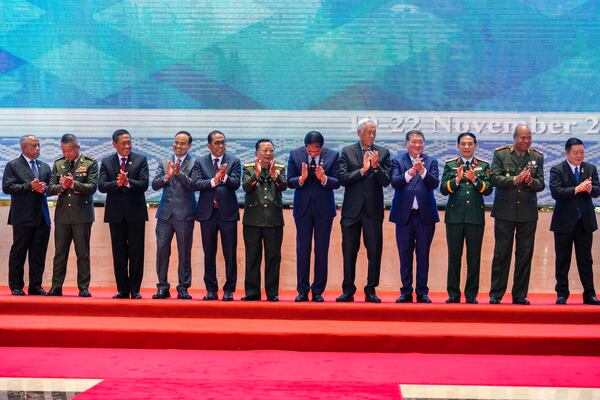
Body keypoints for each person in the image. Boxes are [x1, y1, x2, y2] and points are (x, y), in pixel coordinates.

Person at [489, 124, 544, 305]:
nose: (526, 141)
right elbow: (494, 179)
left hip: (528, 213)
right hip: (504, 212)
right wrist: (514, 180)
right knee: (501, 253)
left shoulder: (537, 156)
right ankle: (496, 294)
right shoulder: (501, 154)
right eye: (522, 138)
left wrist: (530, 181)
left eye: (528, 138)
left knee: (524, 254)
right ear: (514, 138)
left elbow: (541, 184)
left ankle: (519, 295)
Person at [337, 118, 390, 303]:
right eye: (368, 131)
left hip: (373, 211)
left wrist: (375, 167)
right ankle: (348, 290)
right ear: (359, 133)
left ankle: (370, 289)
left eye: (374, 131)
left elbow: (386, 181)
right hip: (351, 211)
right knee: (349, 251)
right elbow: (342, 178)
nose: (372, 135)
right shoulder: (347, 152)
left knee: (374, 251)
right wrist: (362, 170)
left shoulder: (383, 152)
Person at [440, 132, 493, 304]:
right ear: (458, 146)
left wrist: (475, 180)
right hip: (454, 218)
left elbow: (489, 190)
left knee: (474, 257)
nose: (467, 147)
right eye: (463, 144)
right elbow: (443, 189)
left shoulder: (483, 166)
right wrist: (457, 179)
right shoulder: (450, 165)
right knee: (454, 256)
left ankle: (471, 295)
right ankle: (453, 294)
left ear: (475, 146)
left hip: (475, 218)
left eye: (470, 144)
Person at [288, 131, 340, 302]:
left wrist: (324, 178)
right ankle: (302, 290)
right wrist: (301, 179)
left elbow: (337, 181)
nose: (312, 154)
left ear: (321, 148)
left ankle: (318, 290)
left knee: (321, 249)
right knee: (302, 249)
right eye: (310, 151)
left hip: (324, 209)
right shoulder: (295, 154)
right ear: (305, 147)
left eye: (316, 152)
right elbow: (289, 180)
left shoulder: (333, 155)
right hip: (302, 209)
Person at [98, 129, 149, 299]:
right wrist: (117, 183)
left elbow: (143, 184)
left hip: (136, 214)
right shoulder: (107, 162)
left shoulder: (140, 160)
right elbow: (102, 186)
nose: (127, 145)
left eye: (129, 142)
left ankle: (135, 290)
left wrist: (127, 182)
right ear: (114, 144)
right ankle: (122, 289)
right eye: (123, 143)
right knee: (119, 253)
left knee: (136, 252)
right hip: (115, 214)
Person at [390, 130, 439, 303]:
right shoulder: (397, 161)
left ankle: (422, 292)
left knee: (423, 254)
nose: (417, 145)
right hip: (404, 216)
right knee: (405, 254)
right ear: (406, 144)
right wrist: (411, 172)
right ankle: (406, 291)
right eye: (414, 142)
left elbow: (434, 183)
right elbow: (395, 182)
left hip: (425, 216)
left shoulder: (431, 161)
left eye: (420, 142)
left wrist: (423, 171)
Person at [191, 130, 241, 301]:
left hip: (228, 214)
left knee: (230, 253)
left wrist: (224, 176)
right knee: (209, 252)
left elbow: (235, 184)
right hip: (207, 214)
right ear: (209, 145)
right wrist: (214, 181)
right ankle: (211, 289)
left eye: (223, 142)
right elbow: (196, 183)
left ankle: (229, 290)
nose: (221, 145)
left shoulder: (234, 161)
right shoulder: (200, 162)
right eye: (217, 143)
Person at [550, 138, 600, 305]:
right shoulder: (557, 169)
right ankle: (562, 294)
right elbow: (556, 192)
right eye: (576, 153)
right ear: (567, 153)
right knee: (562, 259)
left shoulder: (590, 169)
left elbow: (597, 191)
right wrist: (576, 189)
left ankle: (589, 294)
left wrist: (591, 189)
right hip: (563, 222)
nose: (580, 156)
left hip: (584, 222)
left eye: (582, 152)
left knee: (586, 260)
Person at [47, 134, 98, 297]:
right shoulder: (58, 164)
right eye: (63, 151)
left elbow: (92, 187)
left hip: (82, 216)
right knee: (60, 253)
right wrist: (61, 187)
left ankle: (83, 287)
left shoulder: (90, 163)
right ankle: (56, 286)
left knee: (82, 253)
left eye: (69, 150)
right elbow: (50, 188)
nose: (66, 154)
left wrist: (73, 184)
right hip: (62, 216)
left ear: (77, 147)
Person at [2, 135, 51, 296]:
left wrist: (51, 188)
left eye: (38, 145)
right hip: (22, 217)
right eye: (33, 146)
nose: (37, 148)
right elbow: (7, 187)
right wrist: (29, 186)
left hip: (42, 217)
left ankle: (35, 286)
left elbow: (50, 188)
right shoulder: (13, 165)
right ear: (24, 148)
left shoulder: (44, 166)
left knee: (38, 254)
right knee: (19, 252)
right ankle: (16, 285)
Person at [151, 131, 197, 300]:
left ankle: (183, 287)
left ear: (189, 146)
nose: (178, 146)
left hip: (185, 214)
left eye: (182, 143)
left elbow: (194, 186)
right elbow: (155, 185)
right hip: (165, 214)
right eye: (176, 142)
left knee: (184, 252)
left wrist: (178, 174)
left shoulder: (194, 163)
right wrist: (167, 176)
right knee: (162, 251)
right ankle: (162, 286)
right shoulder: (165, 162)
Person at [241, 139, 287, 302]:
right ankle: (252, 292)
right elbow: (246, 187)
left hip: (274, 220)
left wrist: (275, 176)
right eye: (265, 150)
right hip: (252, 220)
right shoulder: (248, 168)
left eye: (271, 150)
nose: (268, 153)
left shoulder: (280, 168)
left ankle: (272, 292)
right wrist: (257, 174)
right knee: (252, 257)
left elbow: (283, 187)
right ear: (257, 153)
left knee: (273, 257)